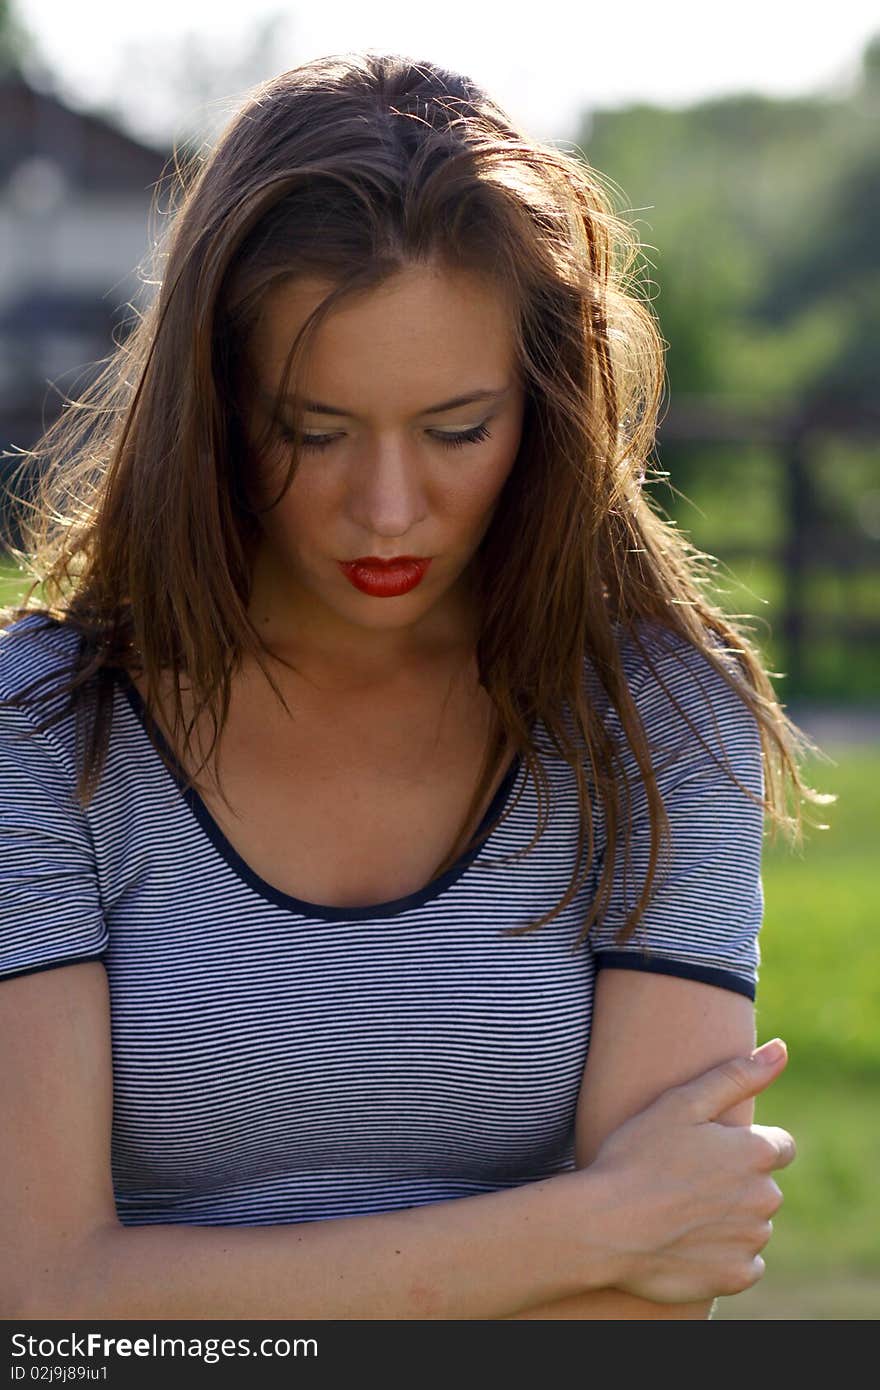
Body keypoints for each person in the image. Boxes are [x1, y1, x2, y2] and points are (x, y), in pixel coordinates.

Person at [0, 51, 829, 1321]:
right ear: (213, 406)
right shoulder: (43, 732)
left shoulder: (659, 722)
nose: (387, 509)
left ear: (546, 406)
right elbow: (47, 1300)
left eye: (457, 429)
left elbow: (653, 1302)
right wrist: (590, 1221)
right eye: (311, 430)